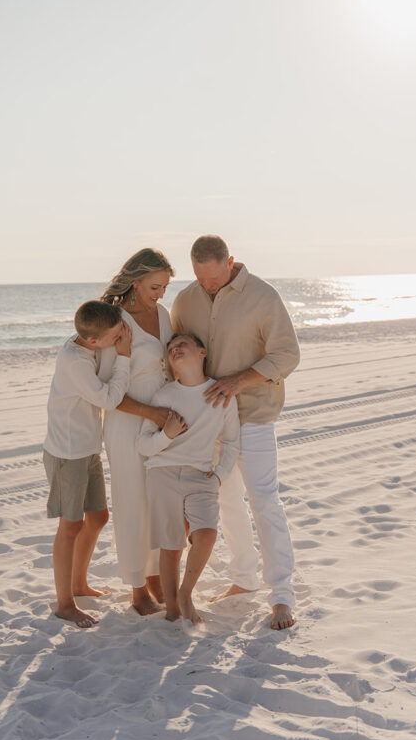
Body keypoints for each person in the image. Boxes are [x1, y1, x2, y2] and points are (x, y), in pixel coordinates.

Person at [171, 234, 301, 631]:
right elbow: (179, 349)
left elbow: (287, 354)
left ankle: (282, 596)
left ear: (231, 262)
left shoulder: (263, 296)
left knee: (264, 502)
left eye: (213, 277)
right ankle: (244, 579)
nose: (206, 285)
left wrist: (237, 381)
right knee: (225, 501)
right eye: (199, 278)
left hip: (254, 414)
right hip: (209, 421)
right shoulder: (186, 300)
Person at [98, 248, 183, 615]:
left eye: (164, 287)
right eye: (154, 286)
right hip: (128, 419)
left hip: (162, 419)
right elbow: (106, 392)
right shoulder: (115, 321)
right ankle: (137, 590)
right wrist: (151, 412)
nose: (160, 294)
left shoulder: (163, 315)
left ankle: (154, 578)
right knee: (132, 502)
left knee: (158, 501)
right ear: (135, 280)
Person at [138, 333, 240, 624]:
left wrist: (218, 476)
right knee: (172, 545)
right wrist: (166, 435)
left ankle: (186, 592)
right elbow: (143, 446)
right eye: (171, 349)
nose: (175, 349)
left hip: (202, 476)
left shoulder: (221, 395)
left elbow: (231, 443)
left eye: (182, 344)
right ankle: (173, 609)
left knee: (206, 534)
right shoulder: (164, 396)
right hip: (162, 473)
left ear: (202, 352)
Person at [42, 300, 132, 629]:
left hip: (86, 448)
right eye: (115, 334)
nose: (121, 336)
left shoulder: (85, 343)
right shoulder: (75, 362)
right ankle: (65, 604)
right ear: (94, 341)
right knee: (70, 527)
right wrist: (123, 358)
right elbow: (109, 399)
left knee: (98, 517)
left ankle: (79, 584)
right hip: (68, 453)